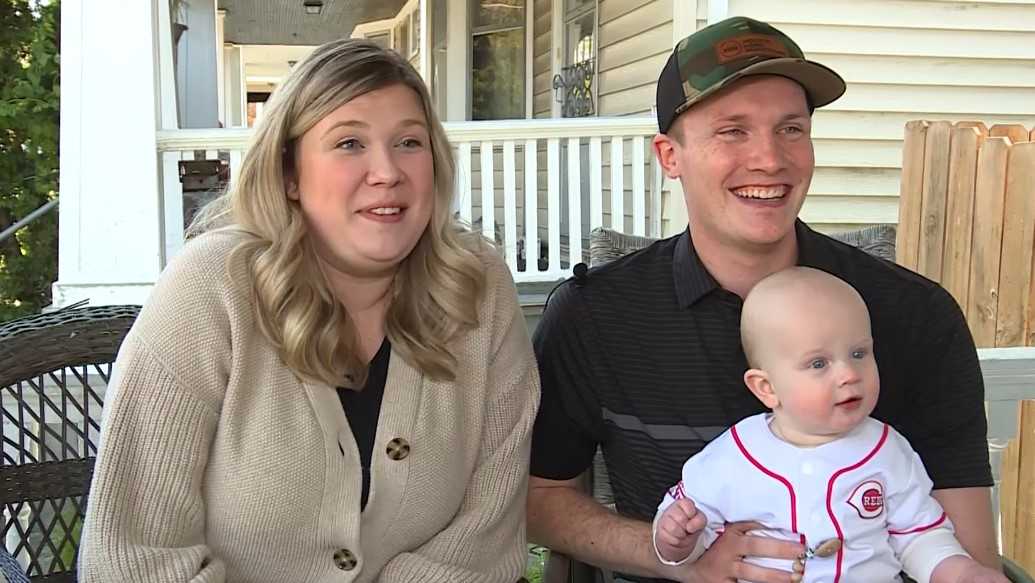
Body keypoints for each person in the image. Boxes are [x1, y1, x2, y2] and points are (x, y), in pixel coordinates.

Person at [527, 15, 997, 583]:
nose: (770, 160)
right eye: (733, 131)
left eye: (791, 129)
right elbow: (540, 497)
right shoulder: (596, 315)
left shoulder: (913, 315)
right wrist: (678, 559)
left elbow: (966, 551)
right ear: (669, 157)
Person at [79, 39, 540, 583]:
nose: (387, 171)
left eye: (409, 142)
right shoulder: (210, 290)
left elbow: (484, 540)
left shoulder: (477, 288)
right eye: (349, 143)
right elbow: (134, 559)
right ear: (289, 174)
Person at [653, 267, 1007, 583]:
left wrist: (959, 570)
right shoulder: (734, 456)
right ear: (767, 388)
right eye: (819, 363)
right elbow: (690, 528)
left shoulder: (887, 450)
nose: (849, 374)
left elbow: (918, 535)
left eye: (859, 353)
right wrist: (677, 539)